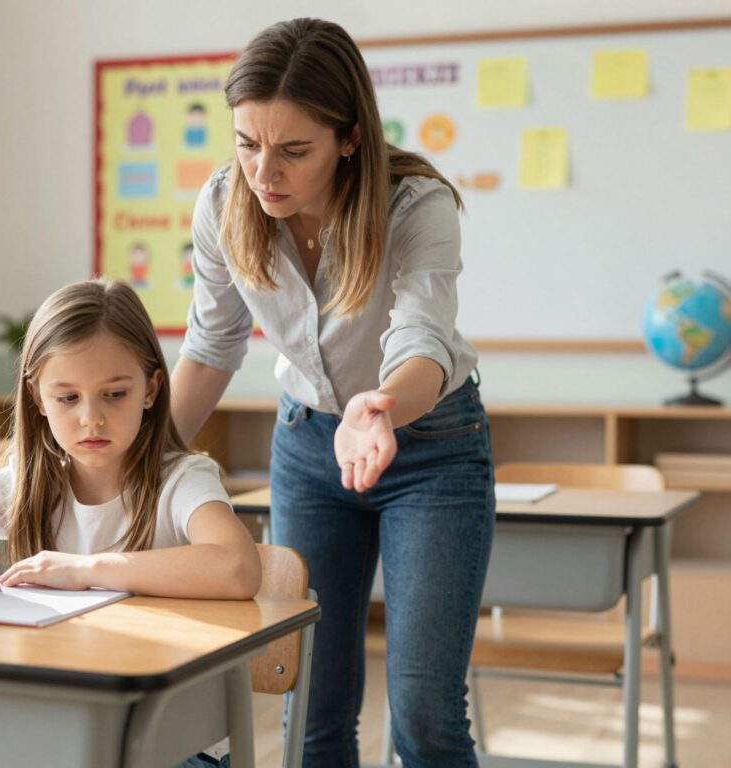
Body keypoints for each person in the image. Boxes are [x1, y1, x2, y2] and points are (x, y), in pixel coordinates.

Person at [170, 18, 495, 768]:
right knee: (309, 701)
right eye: (247, 144)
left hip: (432, 451)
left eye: (293, 151)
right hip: (309, 451)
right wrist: (140, 464)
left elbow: (423, 343)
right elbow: (212, 347)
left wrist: (379, 408)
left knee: (424, 711)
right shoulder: (226, 206)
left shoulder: (416, 206)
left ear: (348, 138)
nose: (263, 172)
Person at [0, 278, 260, 602]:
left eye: (115, 394)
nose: (91, 418)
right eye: (68, 398)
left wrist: (85, 569)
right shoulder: (28, 482)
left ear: (151, 389)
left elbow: (238, 569)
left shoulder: (181, 480)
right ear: (38, 399)